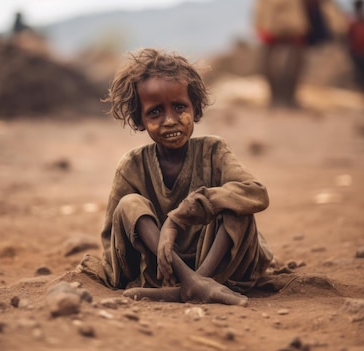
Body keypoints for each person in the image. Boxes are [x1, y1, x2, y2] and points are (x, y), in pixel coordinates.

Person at [79, 48, 276, 306]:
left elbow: (256, 193)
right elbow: (111, 242)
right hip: (158, 271)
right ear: (139, 119)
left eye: (179, 107)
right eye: (155, 112)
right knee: (129, 204)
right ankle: (191, 284)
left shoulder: (214, 151)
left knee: (236, 202)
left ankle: (198, 283)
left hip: (219, 267)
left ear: (195, 108)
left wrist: (180, 216)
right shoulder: (131, 166)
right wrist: (160, 248)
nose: (170, 120)